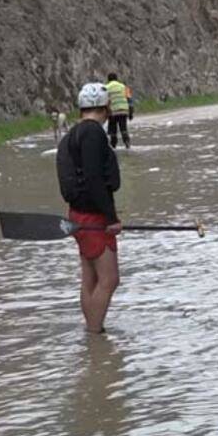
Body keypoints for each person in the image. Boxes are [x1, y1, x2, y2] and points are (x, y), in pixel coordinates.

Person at [57, 83, 122, 334]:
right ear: (105, 108)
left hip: (78, 216)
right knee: (109, 279)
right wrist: (111, 218)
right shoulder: (94, 134)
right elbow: (95, 179)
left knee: (90, 280)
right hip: (94, 219)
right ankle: (95, 336)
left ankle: (92, 330)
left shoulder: (71, 135)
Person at [105, 73, 131, 149]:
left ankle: (113, 145)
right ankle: (127, 143)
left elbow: (105, 101)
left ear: (108, 79)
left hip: (112, 111)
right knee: (123, 127)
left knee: (113, 129)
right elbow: (129, 99)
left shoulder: (106, 87)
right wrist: (131, 112)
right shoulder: (123, 86)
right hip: (123, 110)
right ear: (117, 79)